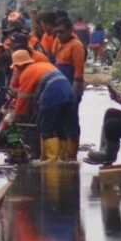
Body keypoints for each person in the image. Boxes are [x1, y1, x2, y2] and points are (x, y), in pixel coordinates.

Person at [0, 50, 74, 162]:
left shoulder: (27, 73)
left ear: (19, 66)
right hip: (68, 91)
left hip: (53, 93)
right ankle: (62, 158)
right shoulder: (44, 64)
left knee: (46, 127)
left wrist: (14, 117)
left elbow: (22, 100)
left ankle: (51, 160)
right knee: (60, 127)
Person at [51, 16, 86, 160]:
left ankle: (72, 154)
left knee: (72, 120)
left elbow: (78, 72)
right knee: (60, 120)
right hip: (59, 89)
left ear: (70, 31)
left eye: (61, 32)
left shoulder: (76, 45)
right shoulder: (59, 43)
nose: (59, 35)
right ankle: (62, 151)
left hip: (72, 88)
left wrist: (73, 93)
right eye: (56, 32)